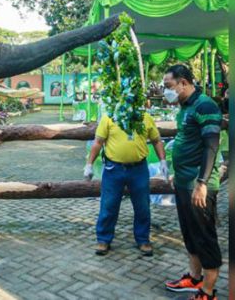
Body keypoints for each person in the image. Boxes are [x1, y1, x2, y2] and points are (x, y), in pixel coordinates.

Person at [161, 65, 222, 300]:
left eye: (169, 86)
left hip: (200, 187)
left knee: (205, 237)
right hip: (184, 183)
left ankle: (208, 292)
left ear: (183, 83)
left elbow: (211, 145)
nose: (166, 91)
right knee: (190, 233)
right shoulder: (185, 107)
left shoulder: (205, 105)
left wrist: (202, 182)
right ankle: (195, 279)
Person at [84, 111, 167, 256]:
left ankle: (143, 239)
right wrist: (89, 164)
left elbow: (156, 140)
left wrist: (163, 161)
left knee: (142, 205)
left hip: (138, 169)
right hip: (113, 169)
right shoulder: (109, 117)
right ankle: (103, 239)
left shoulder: (144, 117)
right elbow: (98, 142)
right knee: (108, 204)